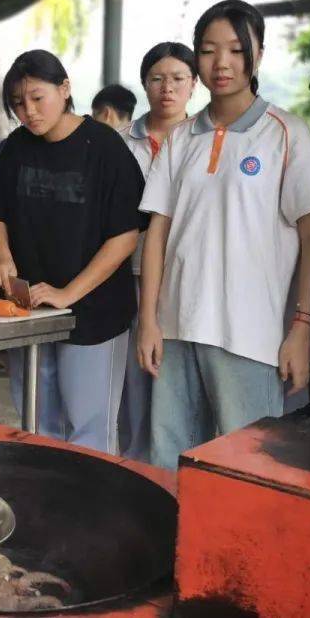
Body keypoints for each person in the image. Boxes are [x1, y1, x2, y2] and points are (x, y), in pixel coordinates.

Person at [137, 0, 310, 470]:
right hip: (176, 328)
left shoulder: (287, 134)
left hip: (250, 334)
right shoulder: (181, 138)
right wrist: (149, 319)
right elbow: (158, 231)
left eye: (237, 50)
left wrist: (302, 327)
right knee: (169, 462)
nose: (222, 63)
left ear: (258, 53)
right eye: (209, 50)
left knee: (251, 470)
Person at [0, 50, 144, 452]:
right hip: (29, 308)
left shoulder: (106, 148)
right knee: (37, 425)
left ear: (65, 88)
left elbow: (126, 235)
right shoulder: (17, 147)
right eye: (18, 103)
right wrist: (3, 257)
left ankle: (91, 514)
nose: (29, 112)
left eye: (38, 98)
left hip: (93, 313)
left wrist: (69, 293)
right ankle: (46, 510)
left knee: (88, 432)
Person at [116, 42, 197, 461]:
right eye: (157, 79)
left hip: (187, 278)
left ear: (194, 84)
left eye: (178, 78)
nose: (168, 88)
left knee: (179, 381)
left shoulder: (202, 140)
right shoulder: (120, 142)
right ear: (145, 84)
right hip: (130, 273)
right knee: (135, 379)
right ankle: (135, 463)